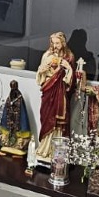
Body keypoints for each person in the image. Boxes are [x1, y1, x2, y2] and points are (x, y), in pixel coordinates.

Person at [35, 31, 75, 160]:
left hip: (60, 92)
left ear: (63, 43)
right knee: (47, 117)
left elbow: (72, 81)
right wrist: (41, 71)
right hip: (48, 90)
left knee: (58, 122)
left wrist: (68, 68)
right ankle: (44, 149)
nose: (55, 45)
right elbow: (40, 76)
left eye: (57, 43)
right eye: (53, 43)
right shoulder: (47, 55)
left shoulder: (69, 57)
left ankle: (56, 151)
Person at [0, 79, 31, 149]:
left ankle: (19, 143)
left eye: (14, 86)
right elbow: (8, 105)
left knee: (18, 128)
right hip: (10, 116)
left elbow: (21, 108)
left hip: (17, 117)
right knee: (8, 128)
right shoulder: (9, 97)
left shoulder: (19, 98)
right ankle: (7, 141)